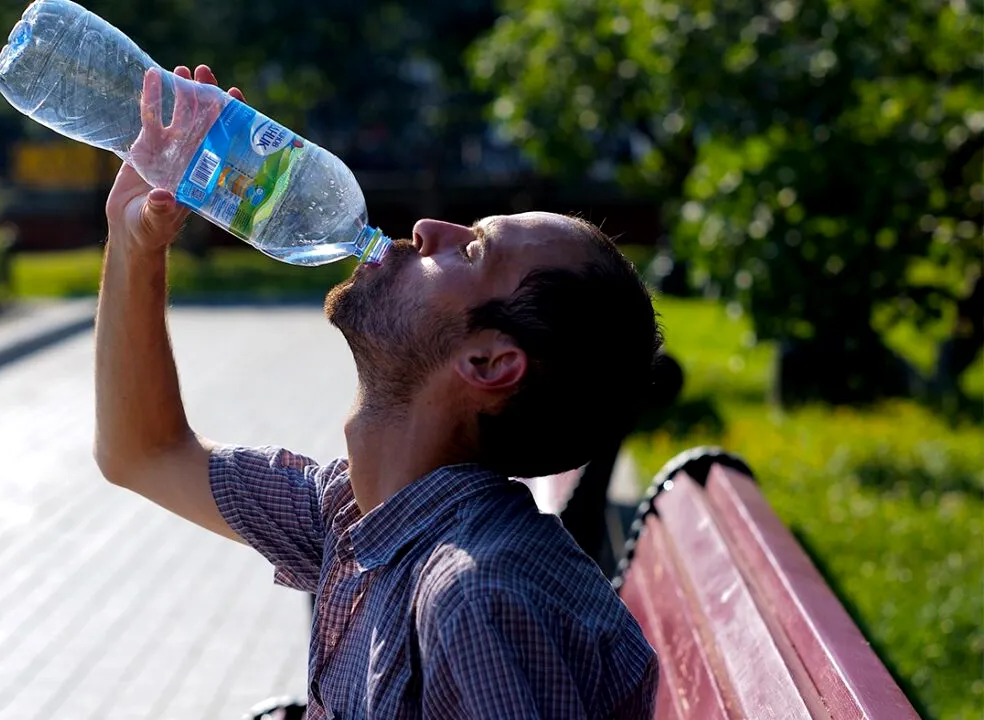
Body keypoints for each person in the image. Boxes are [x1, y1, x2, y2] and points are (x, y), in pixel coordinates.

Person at [95, 64, 661, 719]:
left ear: (488, 362)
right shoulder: (359, 515)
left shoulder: (475, 597)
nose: (426, 228)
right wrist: (135, 241)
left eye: (472, 251)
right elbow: (143, 452)